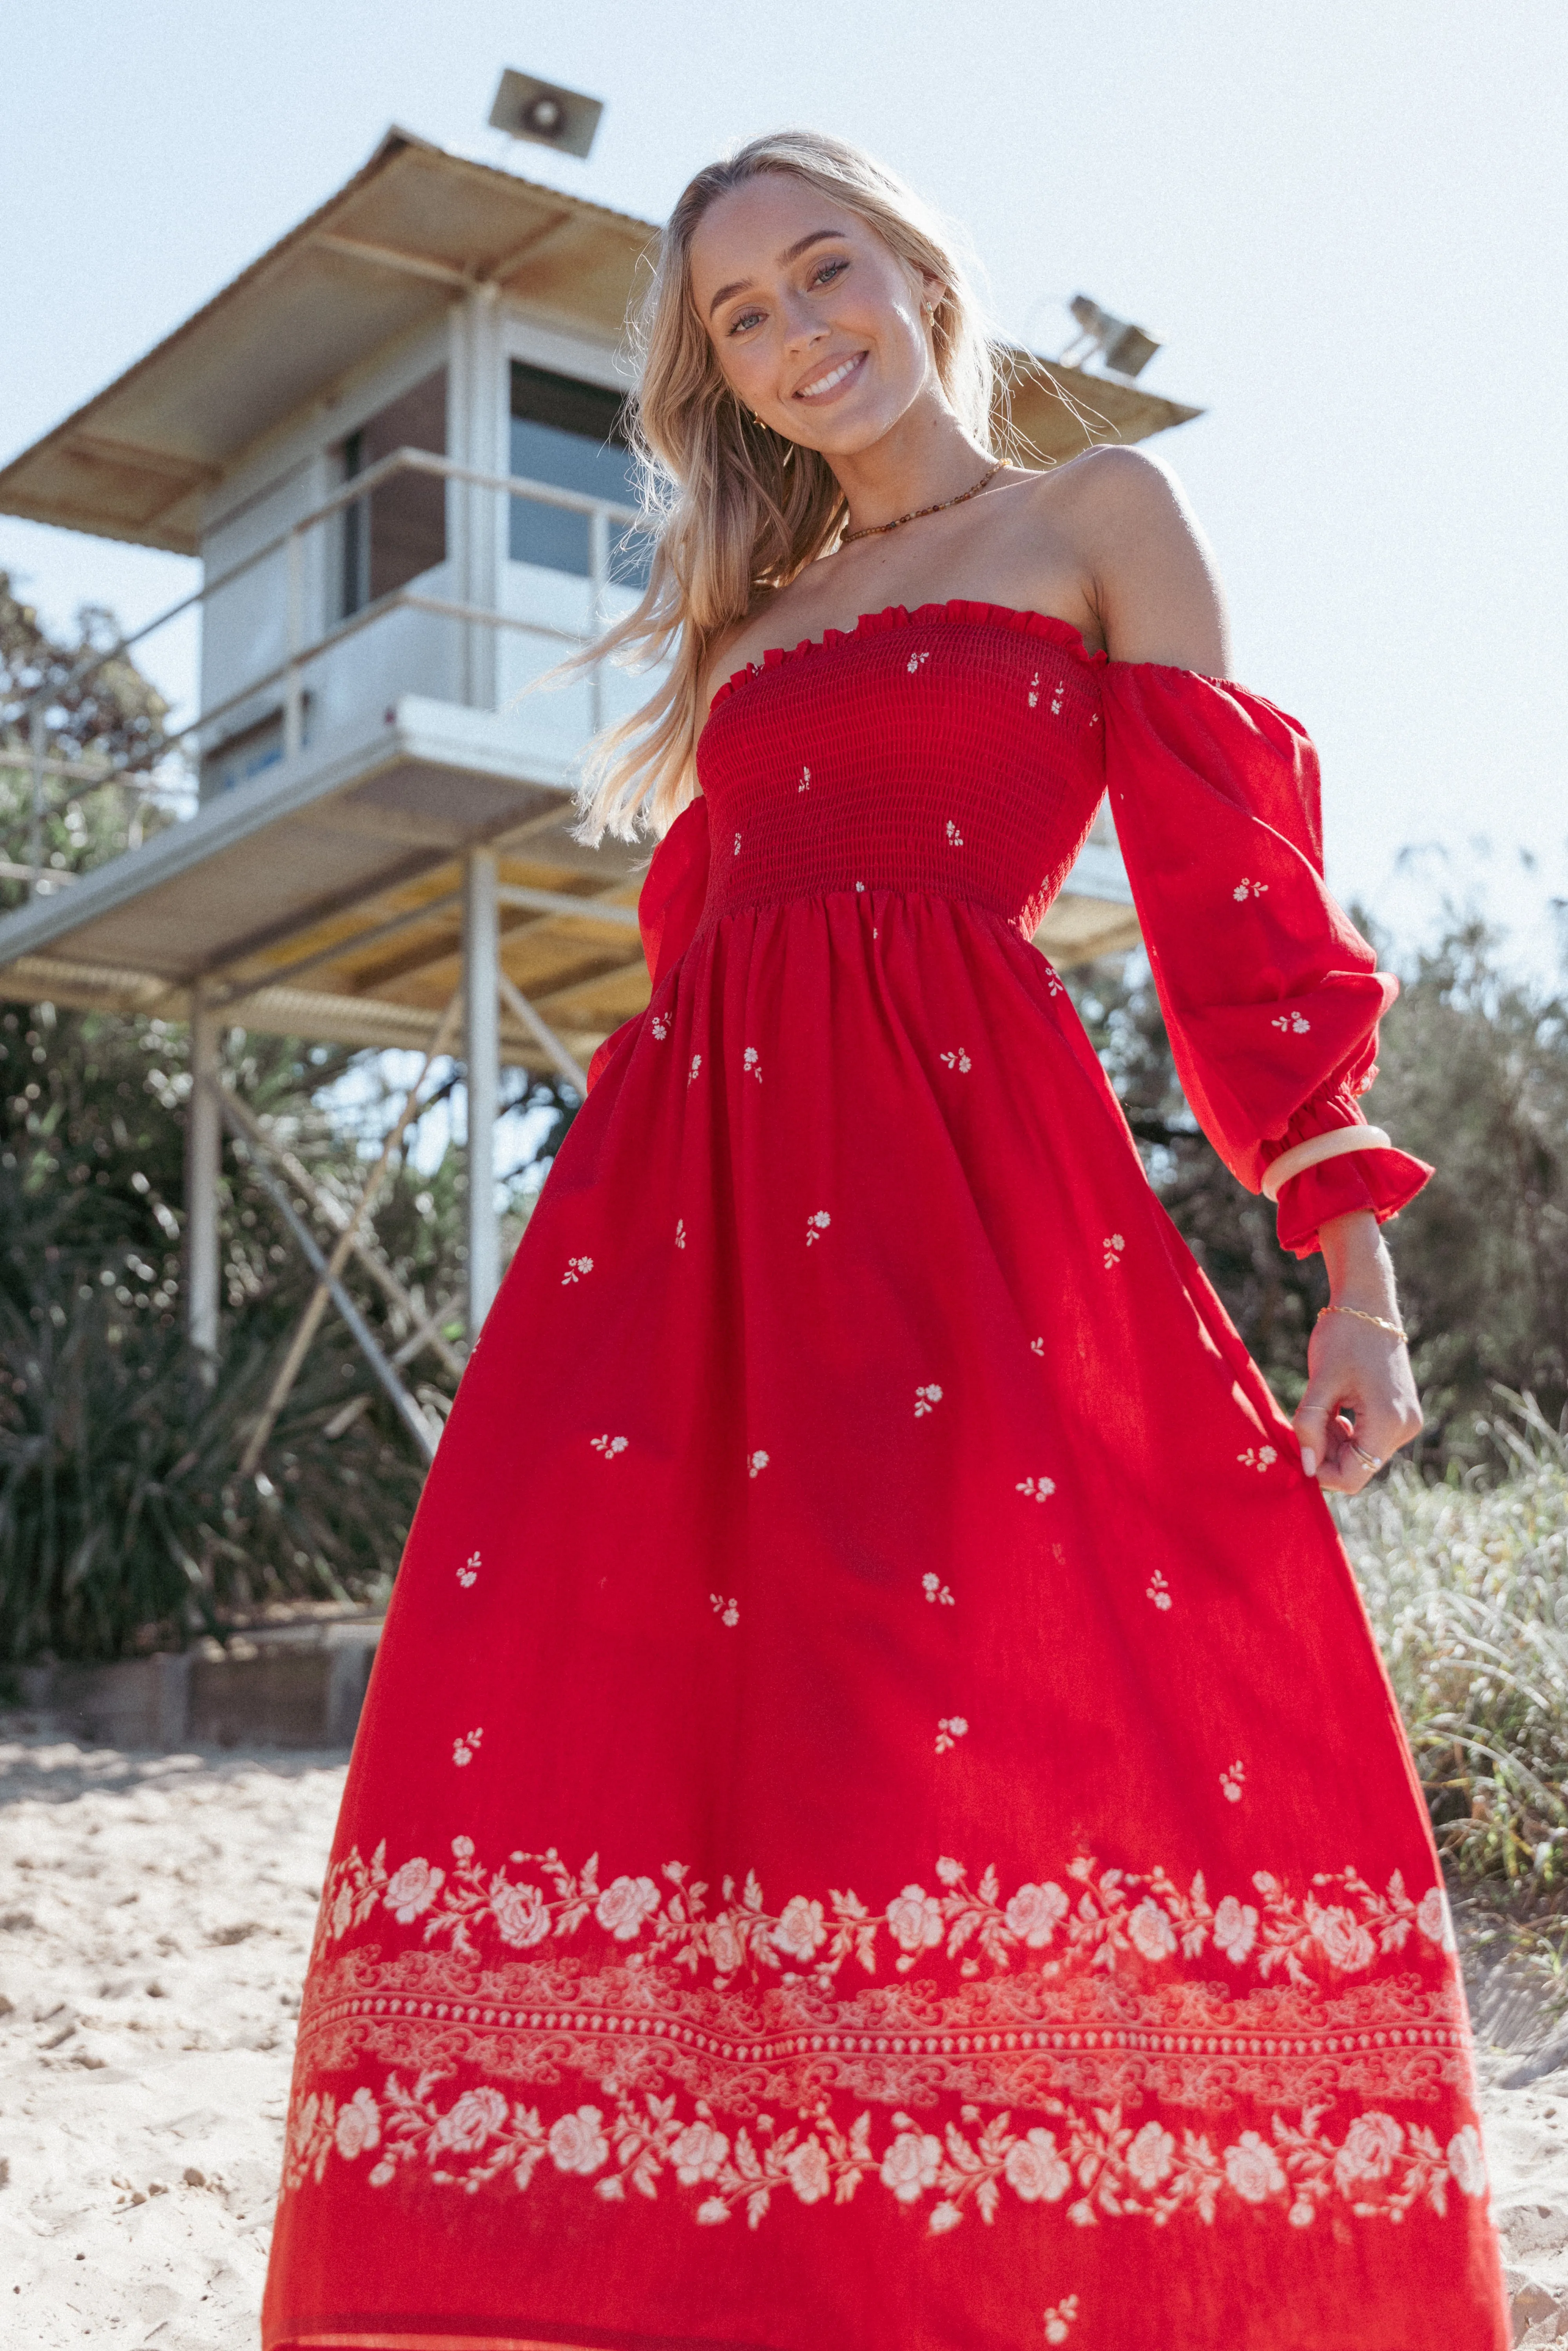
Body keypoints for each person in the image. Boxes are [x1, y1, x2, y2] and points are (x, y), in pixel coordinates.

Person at [262, 131, 1508, 2351]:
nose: (798, 333)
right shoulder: (748, 625)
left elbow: (1237, 901)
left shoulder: (1098, 516)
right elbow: (707, 949)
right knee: (683, 1706)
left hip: (968, 1198)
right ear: (720, 377)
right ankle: (736, 2259)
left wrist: (1353, 1276)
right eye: (742, 318)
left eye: (824, 270)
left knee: (998, 1687)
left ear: (919, 271)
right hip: (696, 1229)